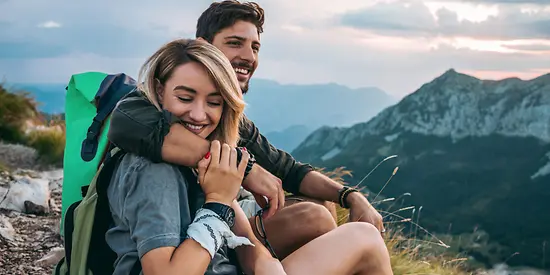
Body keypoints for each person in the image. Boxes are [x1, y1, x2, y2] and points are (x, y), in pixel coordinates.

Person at [107, 0, 385, 260]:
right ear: (203, 47)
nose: (248, 56)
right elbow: (124, 123)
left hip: (222, 213)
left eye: (255, 47)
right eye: (235, 43)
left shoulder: (229, 118)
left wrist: (350, 196)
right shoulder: (149, 103)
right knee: (314, 218)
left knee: (322, 204)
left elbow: (287, 169)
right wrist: (246, 169)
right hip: (185, 229)